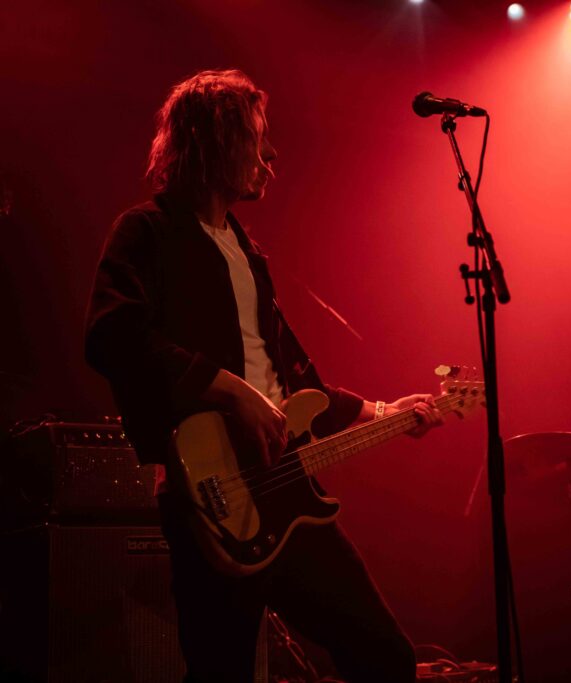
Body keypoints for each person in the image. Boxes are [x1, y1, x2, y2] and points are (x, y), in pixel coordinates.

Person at [85, 69, 442, 683]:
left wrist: (386, 412)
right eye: (258, 137)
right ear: (215, 140)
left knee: (386, 657)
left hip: (285, 487)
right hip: (212, 494)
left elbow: (297, 389)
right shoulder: (146, 231)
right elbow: (110, 336)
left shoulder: (248, 253)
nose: (271, 154)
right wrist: (232, 391)